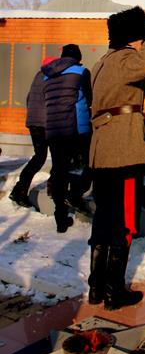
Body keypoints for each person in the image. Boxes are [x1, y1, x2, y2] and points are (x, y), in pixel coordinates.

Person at [88, 6, 145, 310]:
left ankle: (96, 287)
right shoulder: (124, 59)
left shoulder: (102, 61)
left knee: (104, 218)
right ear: (134, 36)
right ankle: (114, 292)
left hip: (102, 149)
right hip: (123, 148)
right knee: (124, 221)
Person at [42, 44, 92, 232]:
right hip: (76, 128)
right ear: (78, 57)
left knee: (60, 171)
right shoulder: (81, 72)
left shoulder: (48, 75)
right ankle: (76, 194)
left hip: (54, 130)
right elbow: (90, 98)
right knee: (91, 163)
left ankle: (60, 217)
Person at [9, 56, 58, 208]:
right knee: (52, 157)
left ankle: (19, 190)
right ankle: (21, 191)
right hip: (44, 123)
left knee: (39, 157)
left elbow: (29, 98)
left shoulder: (38, 76)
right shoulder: (51, 77)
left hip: (34, 122)